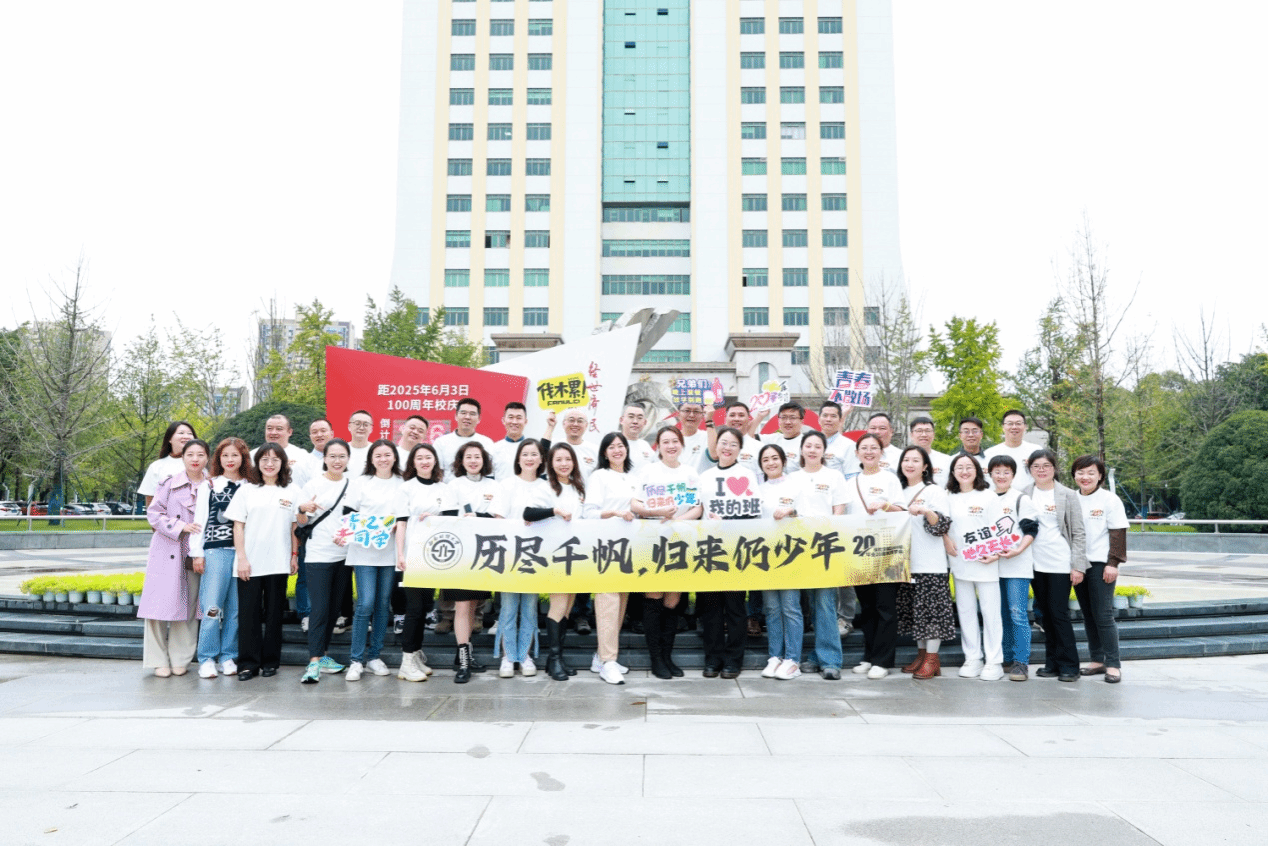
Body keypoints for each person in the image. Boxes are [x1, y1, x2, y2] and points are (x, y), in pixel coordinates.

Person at [631, 426, 703, 679]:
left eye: (675, 441)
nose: (671, 446)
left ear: (681, 444)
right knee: (654, 595)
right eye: (665, 442)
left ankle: (667, 655)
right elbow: (635, 503)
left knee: (673, 599)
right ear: (658, 446)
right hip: (653, 538)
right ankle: (656, 659)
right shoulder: (649, 471)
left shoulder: (690, 473)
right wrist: (658, 513)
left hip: (681, 540)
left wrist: (678, 521)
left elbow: (698, 506)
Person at [225, 443, 300, 681]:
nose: (270, 464)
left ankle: (271, 662)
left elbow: (294, 527)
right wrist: (242, 558)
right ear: (257, 463)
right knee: (248, 615)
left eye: (275, 459)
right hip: (250, 562)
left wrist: (294, 555)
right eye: (265, 459)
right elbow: (238, 526)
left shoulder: (292, 490)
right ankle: (248, 663)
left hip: (279, 561)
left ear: (283, 463)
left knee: (274, 614)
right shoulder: (246, 490)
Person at [138, 438, 208, 677]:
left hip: (194, 552)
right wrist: (180, 526)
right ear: (183, 457)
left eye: (200, 454)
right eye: (190, 454)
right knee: (157, 605)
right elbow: (154, 514)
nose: (195, 459)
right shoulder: (169, 483)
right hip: (167, 547)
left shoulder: (212, 484)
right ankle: (157, 659)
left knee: (189, 604)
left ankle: (181, 658)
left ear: (207, 458)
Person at [697, 426, 762, 678]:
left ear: (740, 449)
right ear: (716, 446)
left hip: (736, 548)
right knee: (711, 607)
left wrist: (726, 521)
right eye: (723, 442)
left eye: (733, 444)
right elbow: (698, 509)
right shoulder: (705, 476)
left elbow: (754, 511)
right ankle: (712, 658)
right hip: (709, 548)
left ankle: (734, 660)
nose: (727, 448)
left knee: (735, 607)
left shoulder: (747, 475)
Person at [341, 440, 404, 682]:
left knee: (382, 604)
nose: (383, 459)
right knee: (365, 603)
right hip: (363, 552)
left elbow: (405, 516)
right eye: (378, 455)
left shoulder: (402, 483)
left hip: (390, 553)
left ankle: (375, 656)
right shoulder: (361, 483)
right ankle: (356, 660)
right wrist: (375, 526)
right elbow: (348, 514)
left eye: (387, 454)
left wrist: (397, 524)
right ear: (371, 459)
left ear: (395, 457)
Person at [394, 443, 458, 682]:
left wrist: (435, 518)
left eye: (428, 457)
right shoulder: (406, 488)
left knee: (424, 607)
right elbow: (401, 523)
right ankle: (406, 661)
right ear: (413, 462)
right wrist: (400, 554)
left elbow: (452, 520)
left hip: (434, 557)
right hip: (412, 555)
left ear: (435, 461)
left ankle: (416, 654)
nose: (424, 461)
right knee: (413, 609)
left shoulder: (444, 489)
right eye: (419, 458)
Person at [845, 433, 907, 679]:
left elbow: (902, 511)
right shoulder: (851, 482)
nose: (869, 452)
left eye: (874, 448)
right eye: (864, 448)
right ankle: (869, 656)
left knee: (885, 606)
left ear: (882, 452)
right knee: (867, 607)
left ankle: (883, 660)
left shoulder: (890, 479)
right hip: (860, 551)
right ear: (857, 453)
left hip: (887, 550)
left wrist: (884, 506)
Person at [1025, 449, 1086, 683]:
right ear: (1030, 470)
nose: (1041, 470)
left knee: (1059, 614)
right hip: (1034, 563)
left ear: (1054, 468)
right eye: (1036, 466)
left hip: (1060, 562)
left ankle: (1070, 665)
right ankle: (1052, 663)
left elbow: (1078, 532)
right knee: (1045, 616)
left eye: (1046, 466)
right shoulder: (1024, 494)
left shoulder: (1067, 495)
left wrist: (1078, 566)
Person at [582, 432, 639, 684]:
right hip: (605, 546)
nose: (617, 450)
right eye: (612, 447)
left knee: (620, 602)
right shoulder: (599, 476)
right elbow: (589, 513)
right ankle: (608, 661)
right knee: (607, 602)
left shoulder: (634, 477)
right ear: (604, 453)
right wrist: (616, 513)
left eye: (621, 446)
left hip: (630, 546)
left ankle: (601, 656)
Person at [294, 439, 353, 684]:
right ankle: (314, 662)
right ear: (325, 458)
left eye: (342, 456)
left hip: (345, 555)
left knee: (333, 609)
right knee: (319, 609)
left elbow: (356, 518)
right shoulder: (313, 485)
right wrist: (302, 509)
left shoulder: (353, 485)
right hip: (318, 555)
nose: (337, 461)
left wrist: (347, 535)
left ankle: (324, 654)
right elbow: (301, 521)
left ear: (348, 459)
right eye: (332, 456)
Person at [894, 445, 955, 680]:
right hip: (905, 564)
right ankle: (921, 656)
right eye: (906, 460)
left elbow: (942, 526)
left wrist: (926, 511)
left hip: (930, 563)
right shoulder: (897, 490)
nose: (910, 464)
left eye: (915, 460)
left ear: (925, 466)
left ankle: (932, 659)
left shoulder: (934, 491)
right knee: (915, 614)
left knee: (932, 614)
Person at [190, 437, 249, 679]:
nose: (230, 460)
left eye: (235, 455)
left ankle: (228, 656)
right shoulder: (210, 485)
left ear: (243, 458)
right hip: (216, 552)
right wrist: (197, 553)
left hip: (242, 554)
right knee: (212, 607)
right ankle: (206, 657)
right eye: (225, 455)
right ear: (218, 459)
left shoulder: (250, 486)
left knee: (235, 609)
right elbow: (200, 520)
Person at [528, 442, 587, 680]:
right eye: (558, 460)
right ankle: (553, 659)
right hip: (554, 555)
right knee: (558, 606)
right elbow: (528, 513)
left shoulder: (578, 487)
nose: (564, 464)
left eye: (568, 459)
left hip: (576, 554)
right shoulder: (545, 488)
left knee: (568, 607)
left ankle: (557, 659)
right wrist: (554, 511)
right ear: (550, 464)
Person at [944, 453, 1005, 681]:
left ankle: (994, 661)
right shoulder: (948, 496)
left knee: (991, 614)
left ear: (977, 471)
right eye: (959, 467)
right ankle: (973, 657)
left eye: (969, 467)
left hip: (985, 562)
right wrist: (946, 540)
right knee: (966, 612)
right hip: (959, 563)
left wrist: (995, 553)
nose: (964, 471)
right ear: (953, 472)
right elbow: (943, 526)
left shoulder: (988, 496)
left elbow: (1000, 528)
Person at [794, 431, 849, 680]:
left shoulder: (834, 476)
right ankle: (817, 655)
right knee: (809, 603)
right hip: (798, 547)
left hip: (825, 546)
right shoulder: (792, 478)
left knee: (825, 601)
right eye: (808, 445)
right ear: (802, 449)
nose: (812, 450)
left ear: (824, 451)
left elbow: (839, 511)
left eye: (818, 446)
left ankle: (831, 660)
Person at [496, 438, 553, 678]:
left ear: (541, 459)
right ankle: (508, 656)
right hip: (510, 555)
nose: (530, 458)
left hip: (536, 557)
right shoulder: (506, 485)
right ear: (518, 458)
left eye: (534, 454)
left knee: (529, 608)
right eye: (525, 454)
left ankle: (525, 654)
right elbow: (498, 519)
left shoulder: (548, 487)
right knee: (508, 608)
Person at [1071, 454, 1129, 684]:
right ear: (1074, 475)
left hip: (1101, 564)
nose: (1085, 477)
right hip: (1078, 564)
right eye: (1080, 472)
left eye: (1091, 473)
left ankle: (1113, 664)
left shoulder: (1109, 500)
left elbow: (1118, 533)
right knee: (1088, 614)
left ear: (1100, 476)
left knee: (1103, 614)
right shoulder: (1071, 499)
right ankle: (1097, 659)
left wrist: (1113, 563)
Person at [448, 441, 502, 682]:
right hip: (460, 553)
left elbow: (498, 516)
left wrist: (477, 516)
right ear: (461, 461)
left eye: (477, 456)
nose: (473, 461)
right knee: (461, 606)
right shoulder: (454, 485)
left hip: (482, 552)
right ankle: (463, 661)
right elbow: (448, 515)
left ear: (484, 460)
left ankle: (465, 652)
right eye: (468, 456)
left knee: (472, 605)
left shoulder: (493, 485)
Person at [989, 455, 1039, 682]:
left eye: (1006, 472)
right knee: (1000, 614)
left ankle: (1021, 661)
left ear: (1013, 475)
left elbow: (1031, 530)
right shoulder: (986, 498)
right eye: (997, 472)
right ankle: (1006, 657)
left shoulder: (1020, 498)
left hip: (1017, 566)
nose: (1001, 476)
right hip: (992, 567)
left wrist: (1018, 550)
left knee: (1017, 613)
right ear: (990, 474)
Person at [757, 443, 804, 680]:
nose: (771, 463)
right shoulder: (758, 489)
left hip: (790, 553)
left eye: (775, 458)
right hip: (765, 555)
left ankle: (793, 660)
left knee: (790, 607)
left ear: (783, 461)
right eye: (765, 459)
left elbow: (807, 514)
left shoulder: (796, 485)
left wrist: (791, 512)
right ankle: (775, 656)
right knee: (772, 608)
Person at [434, 397, 496, 481]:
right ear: (456, 416)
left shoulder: (487, 443)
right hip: (450, 488)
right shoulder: (441, 442)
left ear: (479, 419)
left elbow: (489, 473)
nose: (467, 417)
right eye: (463, 413)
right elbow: (438, 473)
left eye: (472, 414)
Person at [139, 421, 197, 507]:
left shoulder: (202, 464)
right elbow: (150, 502)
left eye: (190, 433)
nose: (186, 436)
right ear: (169, 439)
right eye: (181, 433)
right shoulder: (157, 467)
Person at [252, 414, 313, 489]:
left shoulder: (302, 456)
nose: (273, 432)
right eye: (269, 428)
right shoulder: (253, 455)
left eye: (279, 429)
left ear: (290, 432)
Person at [984, 410, 1038, 490]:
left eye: (1018, 423)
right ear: (1003, 427)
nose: (1014, 427)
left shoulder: (1036, 451)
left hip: (1030, 496)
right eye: (1010, 423)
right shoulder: (989, 453)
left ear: (1025, 427)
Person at [708, 401, 763, 474]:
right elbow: (714, 456)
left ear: (748, 419)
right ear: (725, 419)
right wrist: (708, 419)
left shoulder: (759, 447)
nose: (736, 419)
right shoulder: (716, 445)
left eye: (741, 415)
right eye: (732, 415)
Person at [490, 402, 530, 480]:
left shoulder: (533, 449)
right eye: (511, 417)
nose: (514, 422)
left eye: (519, 418)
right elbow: (489, 479)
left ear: (525, 421)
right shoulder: (494, 449)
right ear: (503, 420)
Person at [762, 402, 807, 472]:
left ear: (802, 421)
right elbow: (749, 437)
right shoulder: (773, 439)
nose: (787, 422)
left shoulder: (807, 444)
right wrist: (760, 416)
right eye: (784, 417)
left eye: (792, 418)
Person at [908, 416, 951, 487]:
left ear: (934, 435)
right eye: (919, 431)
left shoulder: (946, 460)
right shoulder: (902, 460)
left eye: (928, 431)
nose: (924, 435)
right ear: (911, 435)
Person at [619, 403, 656, 469]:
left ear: (645, 422)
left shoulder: (645, 446)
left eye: (639, 418)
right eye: (631, 417)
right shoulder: (613, 445)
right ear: (621, 420)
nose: (635, 421)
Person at [818, 401, 849, 474]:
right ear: (819, 419)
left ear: (840, 420)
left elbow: (851, 476)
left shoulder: (849, 445)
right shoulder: (809, 443)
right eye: (825, 415)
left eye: (833, 416)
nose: (828, 419)